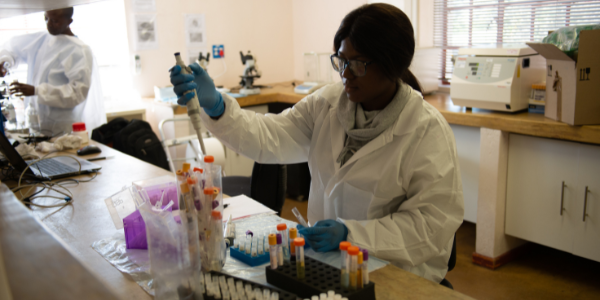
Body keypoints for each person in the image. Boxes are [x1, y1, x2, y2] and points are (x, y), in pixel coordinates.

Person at [170, 3, 464, 283]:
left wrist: (353, 233)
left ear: (392, 64)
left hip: (401, 272)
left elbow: (431, 224)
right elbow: (271, 136)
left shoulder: (426, 131)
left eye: (358, 64)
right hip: (328, 262)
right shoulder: (328, 104)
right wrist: (219, 107)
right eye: (342, 60)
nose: (345, 73)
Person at [0, 7, 106, 136]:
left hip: (64, 127)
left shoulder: (78, 50)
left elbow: (77, 93)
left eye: (55, 20)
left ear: (69, 21)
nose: (49, 24)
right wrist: (5, 63)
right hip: (38, 124)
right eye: (46, 18)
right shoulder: (42, 40)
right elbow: (12, 49)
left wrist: (37, 91)